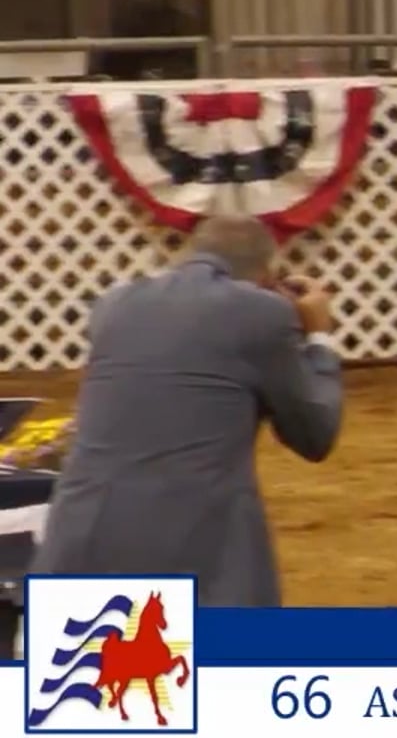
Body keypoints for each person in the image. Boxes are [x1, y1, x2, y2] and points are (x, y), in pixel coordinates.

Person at [28, 216, 344, 607]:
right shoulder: (264, 313)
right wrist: (318, 336)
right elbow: (315, 435)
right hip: (193, 557)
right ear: (265, 275)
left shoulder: (114, 304)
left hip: (76, 541)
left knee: (93, 668)